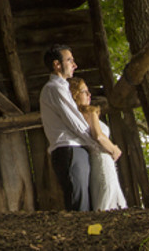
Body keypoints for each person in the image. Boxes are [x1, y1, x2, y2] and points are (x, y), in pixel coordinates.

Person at [39, 44, 116, 211]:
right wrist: (102, 145)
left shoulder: (63, 88)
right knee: (79, 205)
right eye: (69, 60)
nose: (75, 65)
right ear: (57, 65)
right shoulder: (55, 89)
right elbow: (76, 124)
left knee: (86, 203)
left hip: (75, 149)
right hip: (69, 149)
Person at [71, 79, 128, 211]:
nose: (89, 95)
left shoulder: (75, 116)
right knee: (108, 199)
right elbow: (98, 136)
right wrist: (114, 149)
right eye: (85, 92)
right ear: (75, 95)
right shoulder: (90, 112)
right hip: (103, 159)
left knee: (103, 198)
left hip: (94, 162)